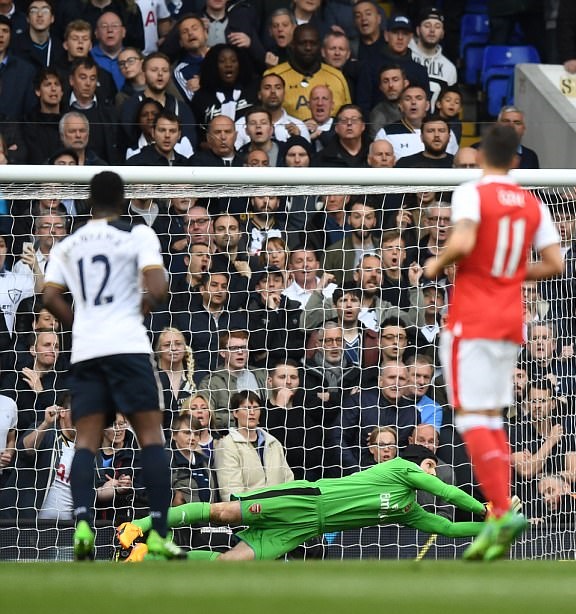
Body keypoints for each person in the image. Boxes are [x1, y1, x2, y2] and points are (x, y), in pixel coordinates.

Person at [424, 124, 564, 561]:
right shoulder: (531, 202)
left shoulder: (472, 191)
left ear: (483, 156)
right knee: (492, 418)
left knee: (469, 419)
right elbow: (556, 263)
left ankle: (501, 511)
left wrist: (436, 263)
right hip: (510, 322)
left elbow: (463, 240)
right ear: (516, 160)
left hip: (472, 319)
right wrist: (512, 274)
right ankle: (502, 512)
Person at [41, 170, 183, 560]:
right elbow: (158, 287)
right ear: (123, 201)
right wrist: (133, 314)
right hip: (127, 346)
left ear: (89, 202)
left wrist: (82, 324)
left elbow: (49, 295)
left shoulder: (67, 245)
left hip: (87, 351)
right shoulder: (137, 234)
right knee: (151, 437)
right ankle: (157, 532)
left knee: (85, 441)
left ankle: (83, 524)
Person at [117, 445, 488, 561]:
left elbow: (449, 527)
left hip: (308, 528)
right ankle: (139, 527)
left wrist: (487, 525)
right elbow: (450, 494)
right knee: (223, 511)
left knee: (230, 563)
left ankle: (143, 556)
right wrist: (485, 508)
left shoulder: (409, 510)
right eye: (430, 465)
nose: (433, 472)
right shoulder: (401, 467)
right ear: (417, 462)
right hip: (305, 499)